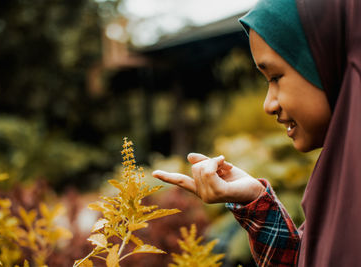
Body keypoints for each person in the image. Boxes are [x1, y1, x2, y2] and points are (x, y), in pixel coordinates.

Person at [152, 0, 361, 266]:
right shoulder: (340, 182)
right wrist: (257, 203)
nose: (268, 105)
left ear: (327, 60)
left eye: (275, 77)